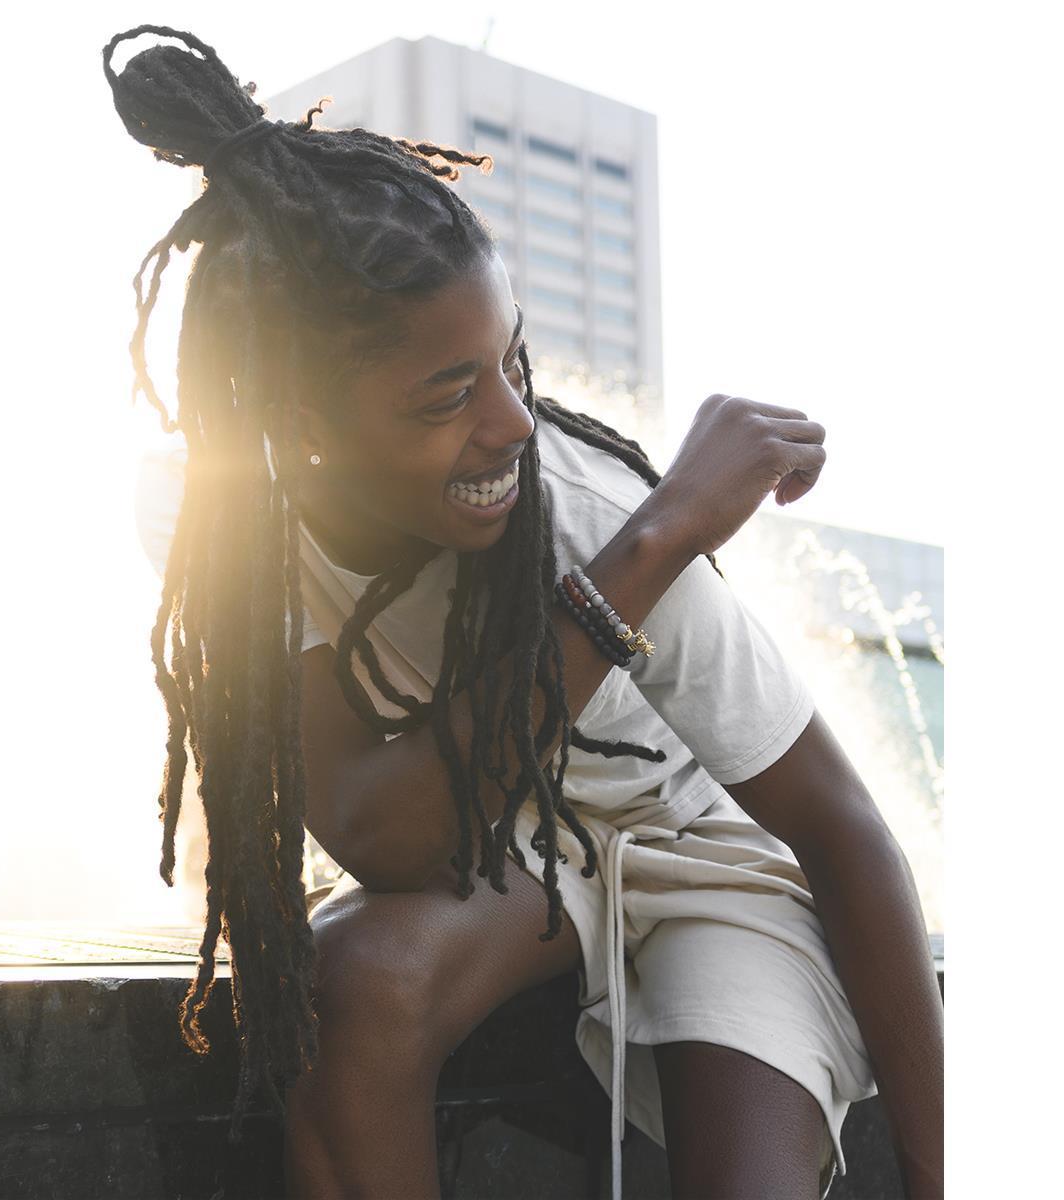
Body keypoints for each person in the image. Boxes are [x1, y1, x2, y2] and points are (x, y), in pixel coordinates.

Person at [106, 25, 944, 1200]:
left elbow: (842, 829)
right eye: (448, 394)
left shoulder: (586, 508)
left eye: (510, 361)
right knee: (348, 985)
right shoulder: (226, 524)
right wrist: (649, 553)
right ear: (300, 426)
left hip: (711, 854)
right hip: (514, 851)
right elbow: (384, 835)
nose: (508, 423)